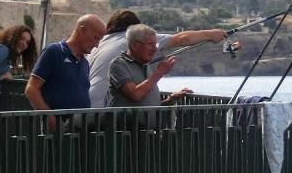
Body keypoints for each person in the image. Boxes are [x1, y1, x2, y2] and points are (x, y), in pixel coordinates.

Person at [88, 10, 230, 107]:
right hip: (110, 118)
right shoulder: (131, 43)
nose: (154, 48)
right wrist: (212, 34)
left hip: (89, 109)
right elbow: (182, 38)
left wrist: (169, 100)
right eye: (150, 44)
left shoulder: (98, 45)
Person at [26, 15, 106, 120]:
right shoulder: (54, 52)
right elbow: (31, 89)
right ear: (82, 30)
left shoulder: (85, 63)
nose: (96, 45)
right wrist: (49, 117)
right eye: (95, 38)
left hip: (79, 125)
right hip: (57, 126)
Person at [108, 24, 193, 108]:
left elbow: (150, 107)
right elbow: (136, 95)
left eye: (155, 44)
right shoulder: (118, 64)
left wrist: (171, 99)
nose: (155, 49)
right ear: (134, 46)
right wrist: (159, 73)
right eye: (150, 44)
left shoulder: (147, 66)